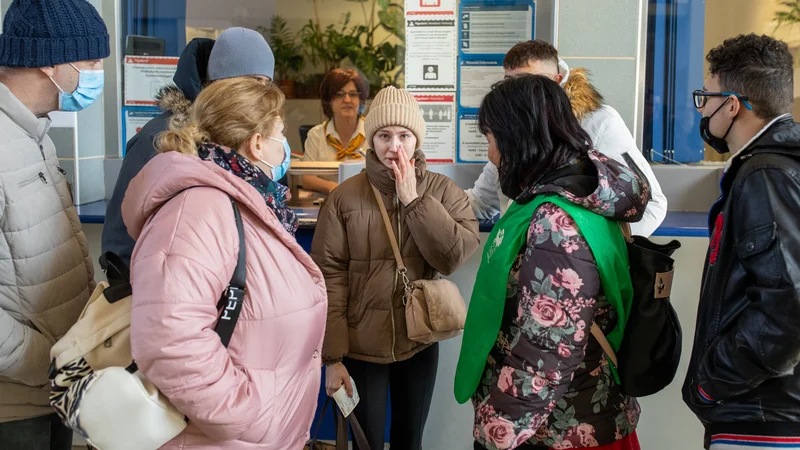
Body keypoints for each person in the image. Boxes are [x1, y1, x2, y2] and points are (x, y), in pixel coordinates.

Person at [121, 77, 327, 449]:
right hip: (223, 437)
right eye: (281, 132)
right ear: (257, 143)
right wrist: (244, 413)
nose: (287, 147)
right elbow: (168, 339)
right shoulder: (198, 209)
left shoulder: (251, 201)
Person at [456, 75, 651, 450]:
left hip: (560, 427)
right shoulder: (585, 193)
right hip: (583, 412)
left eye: (491, 139)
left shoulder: (555, 221)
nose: (490, 154)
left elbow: (547, 346)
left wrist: (500, 430)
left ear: (517, 139)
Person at [312, 86, 480, 450]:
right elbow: (330, 278)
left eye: (404, 136)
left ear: (416, 139)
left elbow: (452, 257)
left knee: (410, 441)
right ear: (371, 141)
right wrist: (333, 358)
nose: (394, 146)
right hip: (360, 346)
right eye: (384, 136)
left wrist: (414, 201)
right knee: (367, 442)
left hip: (419, 340)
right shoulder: (343, 198)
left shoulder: (442, 190)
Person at [682, 34, 800, 450]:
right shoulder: (777, 167)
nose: (702, 109)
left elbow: (788, 309)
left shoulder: (766, 177)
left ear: (732, 105)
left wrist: (712, 383)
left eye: (706, 97)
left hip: (760, 416)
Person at [0, 0, 105, 448]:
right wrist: (42, 360)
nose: (98, 72)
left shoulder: (34, 134)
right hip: (15, 402)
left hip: (54, 386)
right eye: (90, 60)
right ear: (49, 63)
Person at [103, 27, 275, 265]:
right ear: (219, 82)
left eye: (266, 83)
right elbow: (121, 235)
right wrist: (134, 288)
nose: (259, 93)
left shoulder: (237, 134)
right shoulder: (160, 137)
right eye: (252, 82)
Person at [466, 40, 667, 237]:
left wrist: (591, 248)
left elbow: (650, 204)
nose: (514, 92)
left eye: (526, 80)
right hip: (518, 254)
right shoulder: (511, 131)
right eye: (508, 82)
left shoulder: (597, 122)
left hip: (572, 259)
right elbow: (482, 201)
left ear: (556, 81)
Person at [302, 68, 369, 194]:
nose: (347, 100)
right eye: (340, 94)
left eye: (353, 94)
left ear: (361, 100)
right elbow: (307, 178)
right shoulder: (316, 135)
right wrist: (332, 187)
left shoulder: (373, 133)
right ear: (329, 101)